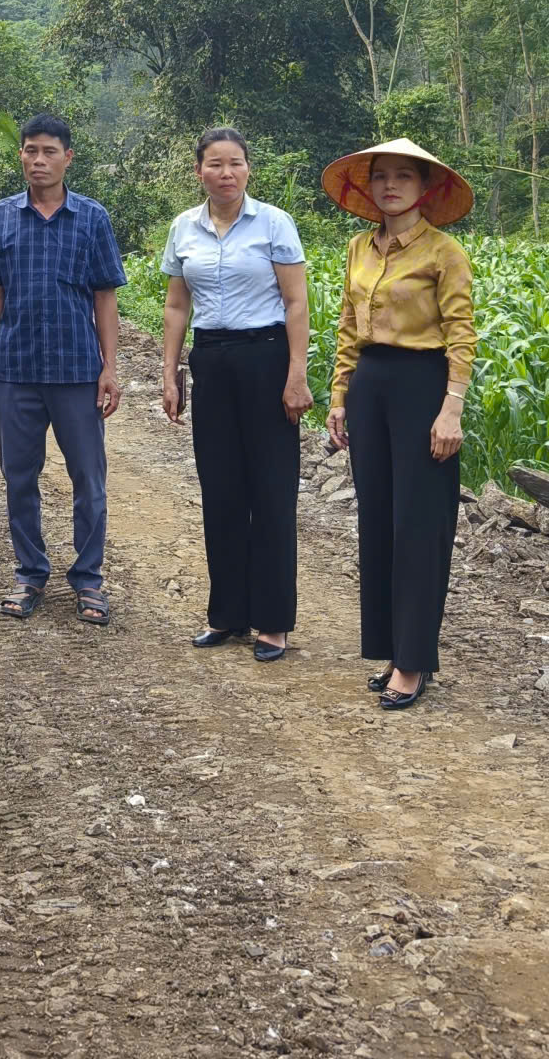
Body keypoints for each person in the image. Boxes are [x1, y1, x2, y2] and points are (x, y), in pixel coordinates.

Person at [319, 138, 476, 711]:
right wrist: (339, 396)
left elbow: (461, 334)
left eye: (403, 177)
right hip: (370, 386)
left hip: (422, 387)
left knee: (419, 525)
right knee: (381, 524)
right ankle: (393, 651)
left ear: (425, 188)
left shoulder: (443, 252)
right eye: (381, 176)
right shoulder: (359, 247)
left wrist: (451, 407)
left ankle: (414, 662)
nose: (390, 185)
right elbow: (346, 325)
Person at [0, 113, 126, 627]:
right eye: (30, 150)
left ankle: (88, 579)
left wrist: (110, 368)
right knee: (19, 477)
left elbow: (105, 296)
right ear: (21, 156)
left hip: (77, 370)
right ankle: (30, 572)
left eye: (49, 151)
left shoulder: (92, 218)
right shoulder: (1, 217)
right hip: (18, 370)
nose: (38, 159)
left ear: (68, 157)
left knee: (88, 479)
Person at [158, 127, 313, 662]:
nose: (226, 173)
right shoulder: (184, 228)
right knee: (220, 490)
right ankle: (227, 614)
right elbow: (177, 307)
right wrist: (171, 372)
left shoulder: (274, 223)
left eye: (236, 164)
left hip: (266, 356)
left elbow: (296, 304)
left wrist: (296, 375)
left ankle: (272, 621)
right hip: (213, 360)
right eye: (215, 164)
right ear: (198, 171)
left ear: (249, 169)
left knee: (271, 491)